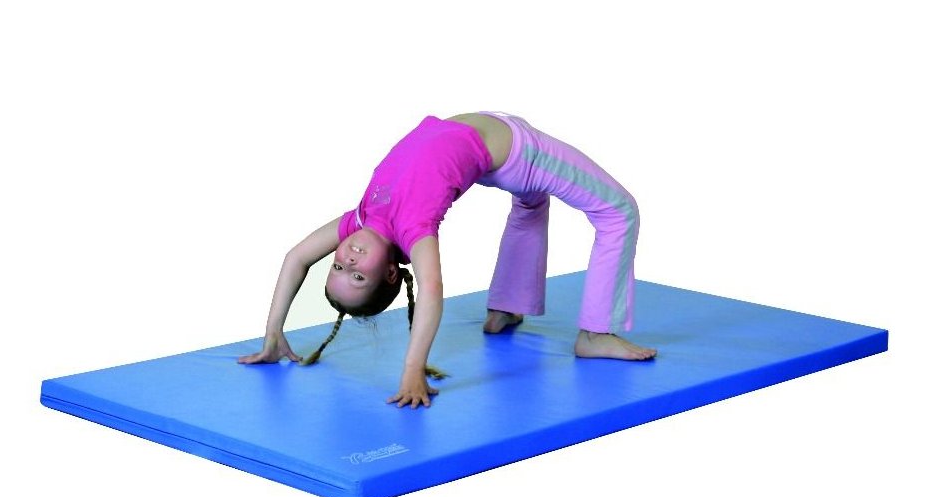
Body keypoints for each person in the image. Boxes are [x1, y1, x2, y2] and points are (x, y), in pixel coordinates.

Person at [237, 111, 656, 407]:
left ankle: (506, 307)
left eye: (338, 267)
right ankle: (596, 333)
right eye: (358, 276)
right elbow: (432, 289)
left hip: (488, 151)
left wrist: (273, 332)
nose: (349, 259)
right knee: (618, 211)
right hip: (518, 152)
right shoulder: (412, 229)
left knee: (531, 203)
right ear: (390, 273)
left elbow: (296, 257)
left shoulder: (360, 219)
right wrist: (412, 368)